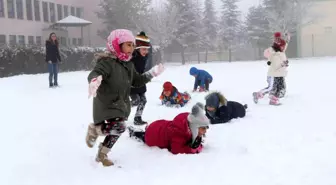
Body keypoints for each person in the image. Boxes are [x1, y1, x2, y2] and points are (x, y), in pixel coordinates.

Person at [85, 29, 164, 167]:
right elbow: (95, 73)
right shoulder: (107, 62)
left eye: (133, 45)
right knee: (119, 127)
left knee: (119, 128)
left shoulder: (128, 64)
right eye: (128, 44)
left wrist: (151, 73)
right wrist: (94, 81)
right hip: (106, 104)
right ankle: (95, 132)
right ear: (116, 44)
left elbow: (137, 81)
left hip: (120, 104)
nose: (131, 48)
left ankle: (102, 153)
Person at [128, 103, 209, 154]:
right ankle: (134, 133)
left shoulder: (190, 121)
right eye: (203, 128)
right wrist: (193, 149)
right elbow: (176, 150)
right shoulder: (179, 132)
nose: (205, 131)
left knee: (148, 132)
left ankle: (141, 131)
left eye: (206, 128)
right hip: (153, 136)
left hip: (159, 125)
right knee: (144, 136)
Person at [253, 33, 288, 105]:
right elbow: (276, 66)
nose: (284, 47)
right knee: (271, 88)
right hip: (273, 74)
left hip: (278, 74)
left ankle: (273, 101)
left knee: (276, 89)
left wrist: (287, 38)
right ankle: (257, 94)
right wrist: (283, 64)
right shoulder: (275, 55)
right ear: (279, 46)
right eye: (282, 46)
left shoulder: (281, 52)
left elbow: (285, 45)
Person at [130, 31, 151, 125]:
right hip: (131, 83)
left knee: (143, 100)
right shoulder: (131, 57)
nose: (146, 52)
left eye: (147, 49)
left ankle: (137, 118)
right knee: (136, 101)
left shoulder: (144, 57)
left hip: (140, 82)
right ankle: (121, 110)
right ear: (137, 48)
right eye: (144, 49)